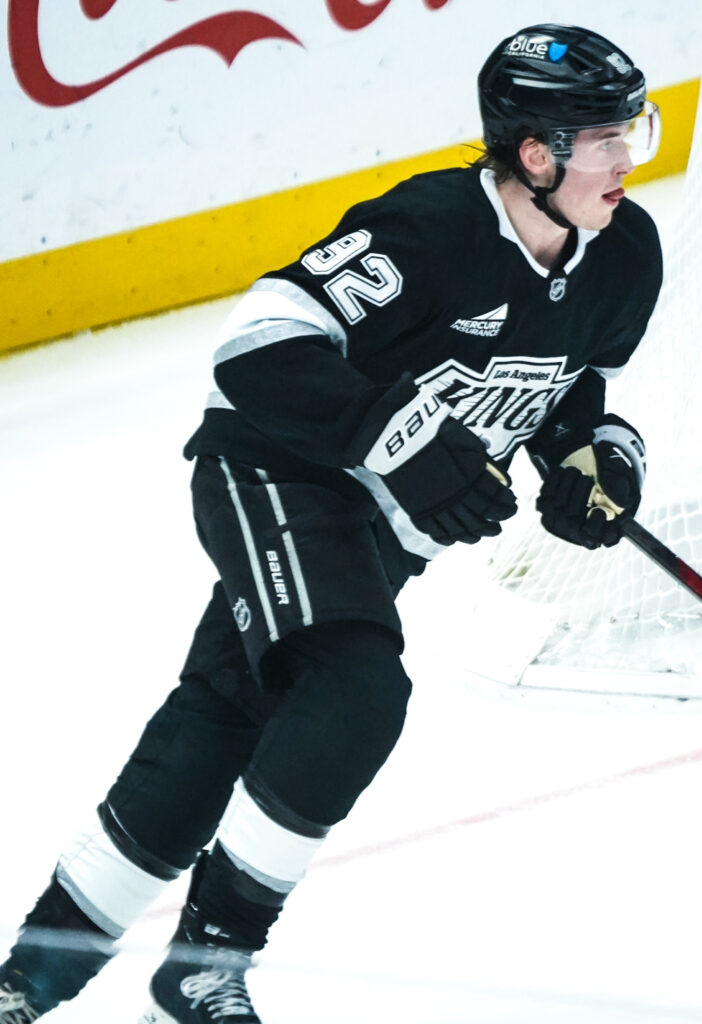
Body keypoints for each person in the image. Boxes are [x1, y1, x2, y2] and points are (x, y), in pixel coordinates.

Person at [0, 22, 662, 1024]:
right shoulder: (432, 230)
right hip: (278, 472)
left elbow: (581, 389)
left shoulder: (625, 255)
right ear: (537, 153)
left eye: (631, 131)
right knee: (356, 690)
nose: (629, 156)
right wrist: (400, 434)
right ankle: (205, 963)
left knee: (220, 720)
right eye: (609, 138)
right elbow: (257, 344)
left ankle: (28, 977)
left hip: (376, 536)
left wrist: (597, 459)